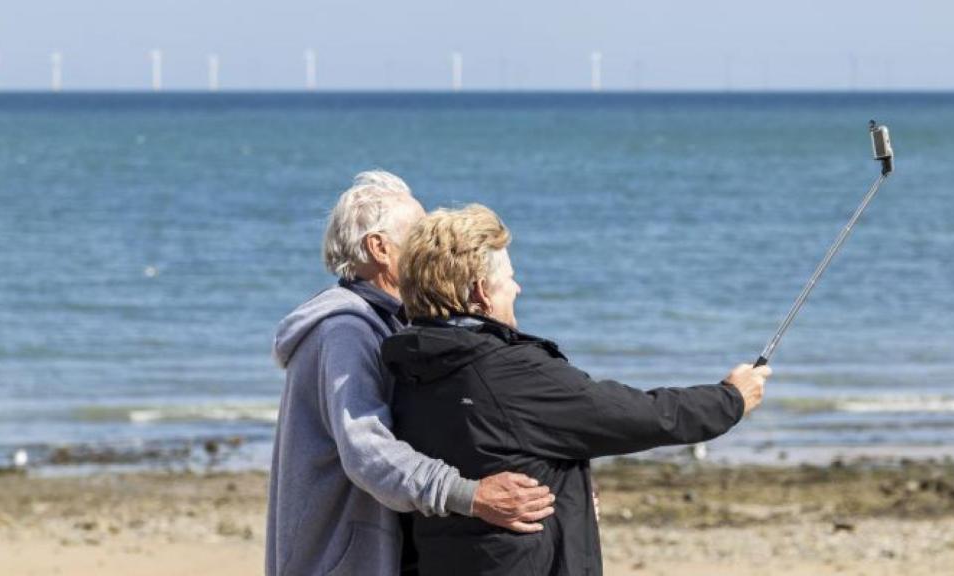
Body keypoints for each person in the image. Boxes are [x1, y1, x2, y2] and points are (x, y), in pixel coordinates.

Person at [382, 204, 770, 576]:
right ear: (481, 291)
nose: (517, 287)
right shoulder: (504, 370)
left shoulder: (413, 365)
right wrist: (731, 398)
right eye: (509, 278)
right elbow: (634, 415)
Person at [266, 173, 555, 576]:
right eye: (418, 236)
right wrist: (469, 496)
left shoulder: (393, 324)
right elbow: (369, 451)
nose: (431, 247)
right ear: (379, 248)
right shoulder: (344, 330)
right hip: (343, 560)